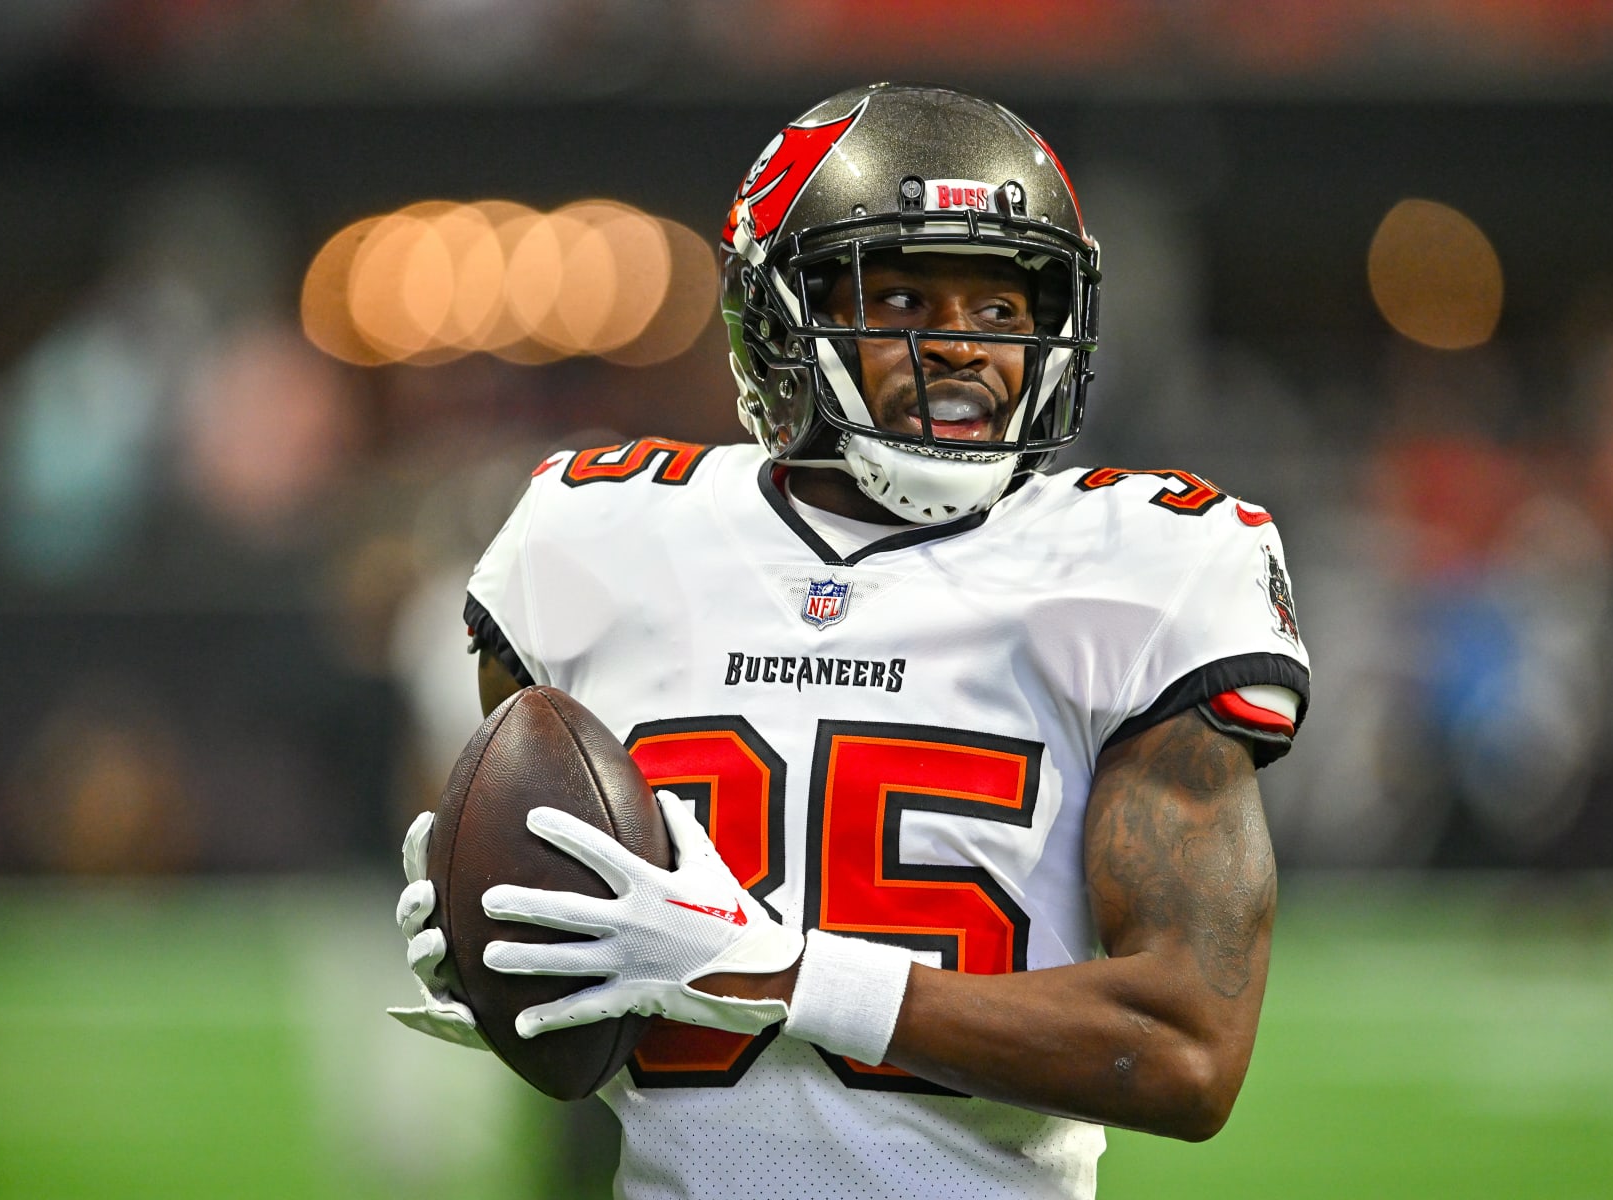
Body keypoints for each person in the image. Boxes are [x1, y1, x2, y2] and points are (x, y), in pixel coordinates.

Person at [391, 82, 1310, 1199]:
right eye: (908, 299)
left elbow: (1185, 1051)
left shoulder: (1140, 564)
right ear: (778, 316)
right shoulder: (598, 537)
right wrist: (505, 930)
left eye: (1004, 310)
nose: (965, 349)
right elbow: (546, 855)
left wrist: (774, 971)